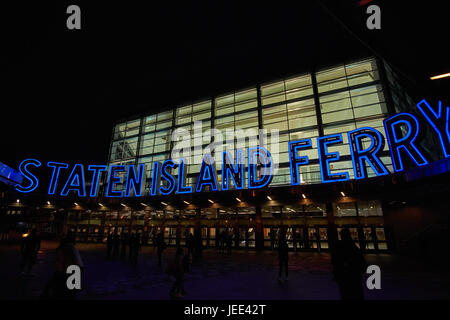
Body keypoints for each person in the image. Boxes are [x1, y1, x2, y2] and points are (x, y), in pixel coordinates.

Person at [42, 232, 83, 299]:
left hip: (68, 271)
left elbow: (60, 262)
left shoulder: (64, 248)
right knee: (71, 292)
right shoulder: (72, 247)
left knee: (63, 291)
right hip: (74, 270)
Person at [331, 228, 366, 300]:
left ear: (341, 235)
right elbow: (362, 263)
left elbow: (335, 261)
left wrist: (337, 274)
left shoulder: (339, 246)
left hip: (344, 277)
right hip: (354, 277)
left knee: (346, 294)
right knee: (356, 294)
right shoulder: (353, 247)